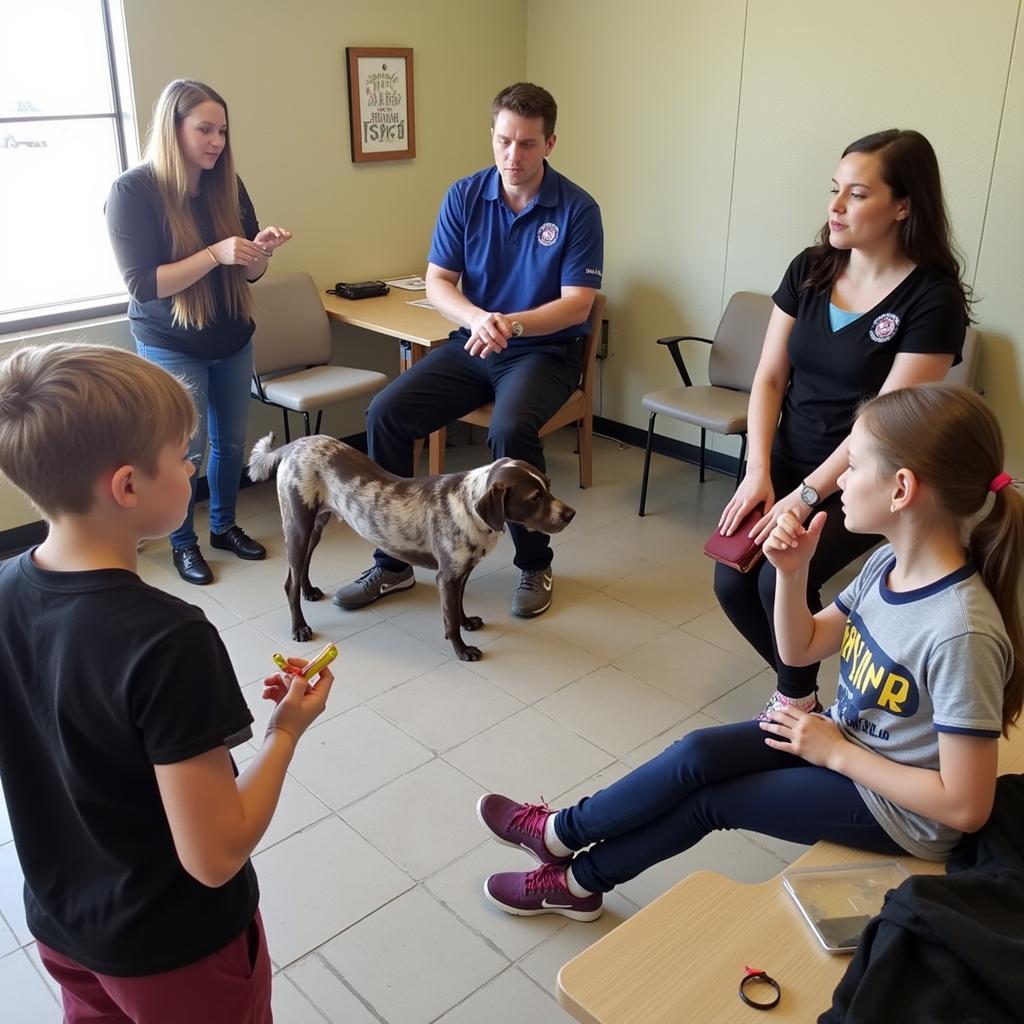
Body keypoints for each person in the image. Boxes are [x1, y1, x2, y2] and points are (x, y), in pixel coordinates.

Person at [475, 384, 1022, 921]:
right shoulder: (887, 566)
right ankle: (559, 833)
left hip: (902, 810)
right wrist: (791, 572)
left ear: (901, 490)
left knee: (715, 802)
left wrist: (834, 753)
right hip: (847, 744)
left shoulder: (960, 633)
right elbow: (802, 645)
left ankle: (576, 884)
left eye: (852, 467)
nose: (841, 483)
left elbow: (965, 808)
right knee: (696, 754)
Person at [0, 343, 332, 1022]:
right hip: (174, 952)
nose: (192, 466)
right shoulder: (169, 638)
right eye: (184, 454)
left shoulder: (4, 588)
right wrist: (285, 734)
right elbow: (214, 854)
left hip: (65, 927)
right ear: (127, 486)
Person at [713, 129, 970, 720]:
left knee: (771, 580)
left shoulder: (932, 300)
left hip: (870, 475)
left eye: (857, 195)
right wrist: (758, 473)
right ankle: (802, 687)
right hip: (784, 458)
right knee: (733, 582)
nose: (834, 207)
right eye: (835, 190)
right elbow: (770, 378)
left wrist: (806, 496)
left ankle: (795, 701)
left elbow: (883, 425)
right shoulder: (810, 268)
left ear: (903, 205)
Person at [333, 81, 603, 619]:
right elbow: (438, 283)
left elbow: (577, 305)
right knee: (385, 414)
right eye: (504, 141)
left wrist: (512, 325)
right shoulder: (463, 195)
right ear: (493, 136)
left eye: (527, 144)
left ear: (549, 144)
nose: (513, 155)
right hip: (474, 344)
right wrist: (480, 319)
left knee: (509, 433)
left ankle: (534, 563)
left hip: (544, 353)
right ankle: (393, 562)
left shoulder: (577, 209)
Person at [106, 78, 293, 585]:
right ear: (174, 129)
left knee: (231, 443)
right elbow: (144, 285)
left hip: (232, 337)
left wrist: (260, 252)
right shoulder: (133, 191)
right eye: (205, 130)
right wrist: (216, 254)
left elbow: (249, 273)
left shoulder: (226, 185)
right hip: (170, 342)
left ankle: (223, 526)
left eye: (223, 131)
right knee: (182, 452)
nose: (216, 142)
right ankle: (182, 543)